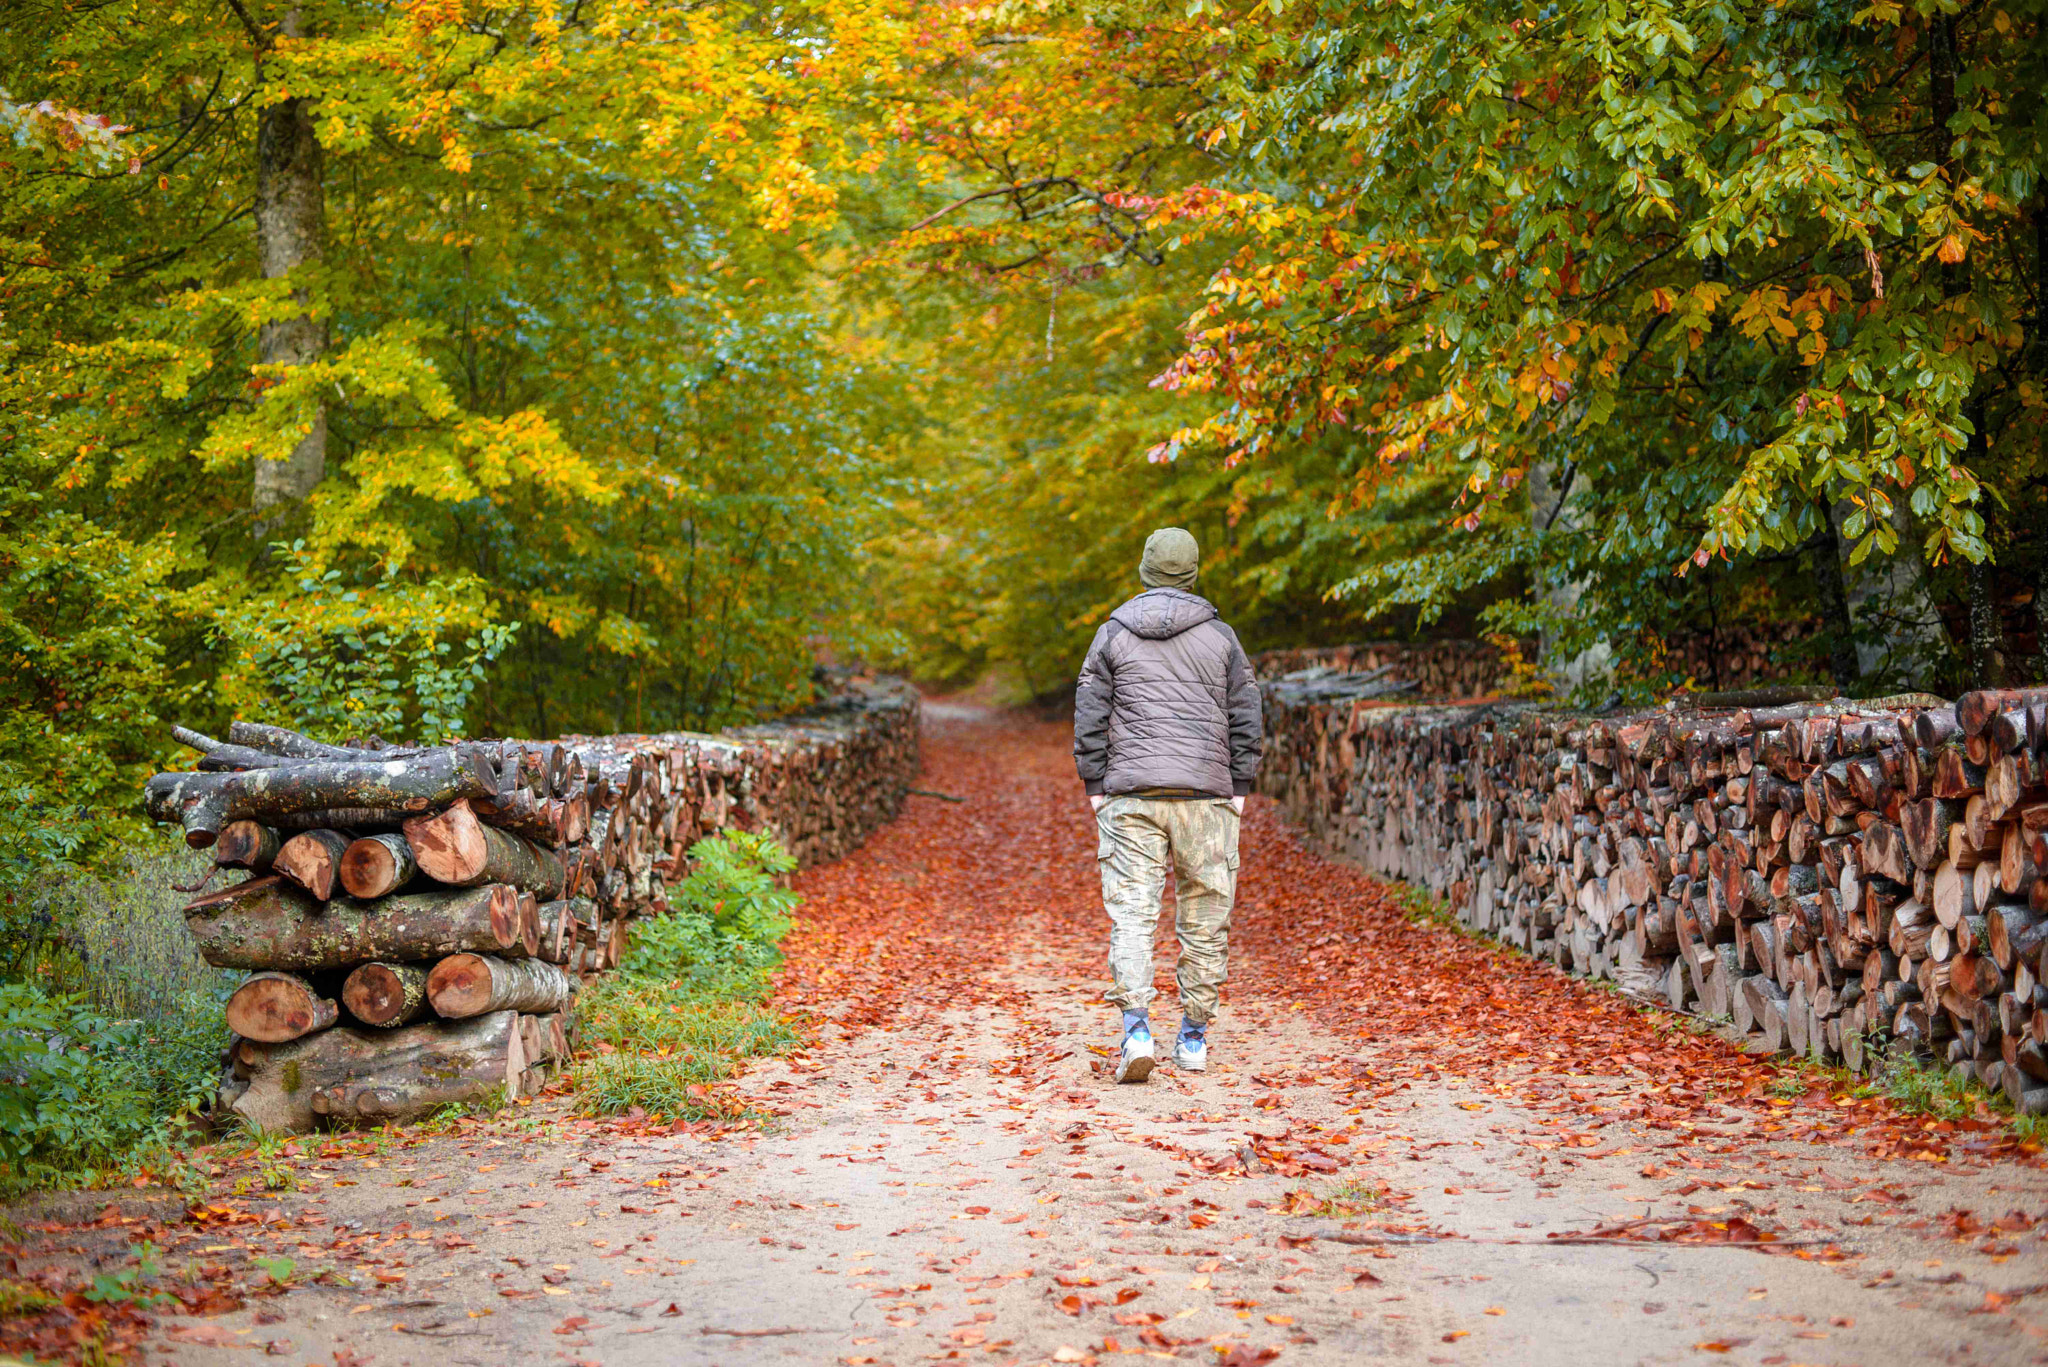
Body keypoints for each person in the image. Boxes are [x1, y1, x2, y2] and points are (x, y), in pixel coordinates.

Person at [1073, 527, 1262, 1083]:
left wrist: (1095, 785)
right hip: (1206, 794)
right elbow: (1246, 713)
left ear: (1146, 569)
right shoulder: (1222, 638)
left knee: (1132, 913)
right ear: (1193, 571)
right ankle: (1194, 1037)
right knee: (1205, 917)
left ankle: (1136, 1031)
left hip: (1131, 794)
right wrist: (1240, 785)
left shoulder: (1112, 633)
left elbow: (1090, 709)